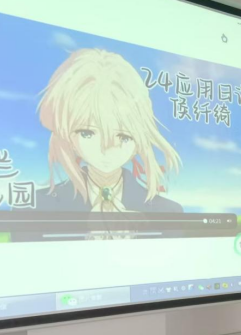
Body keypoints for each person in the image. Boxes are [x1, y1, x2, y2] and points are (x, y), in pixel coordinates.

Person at [36, 48, 182, 213]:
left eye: (124, 137)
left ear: (138, 142)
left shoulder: (167, 211)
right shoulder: (38, 206)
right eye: (87, 133)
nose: (106, 148)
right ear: (68, 136)